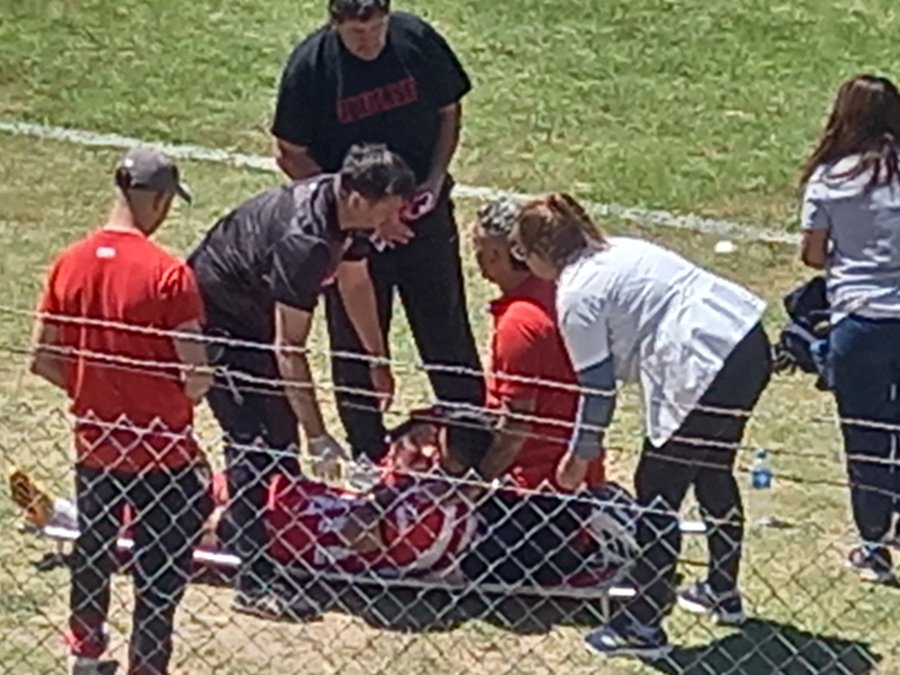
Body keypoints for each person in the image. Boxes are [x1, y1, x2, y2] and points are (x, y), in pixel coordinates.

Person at [511, 193, 772, 658]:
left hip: (702, 365)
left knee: (656, 490)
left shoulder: (575, 293)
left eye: (523, 254)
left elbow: (598, 389)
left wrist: (580, 454)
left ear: (540, 253)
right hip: (746, 339)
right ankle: (722, 590)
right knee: (712, 468)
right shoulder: (622, 249)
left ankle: (643, 624)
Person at [187, 143, 415, 616]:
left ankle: (274, 537)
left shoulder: (349, 218)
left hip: (256, 320)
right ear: (359, 197)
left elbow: (355, 284)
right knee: (253, 442)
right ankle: (253, 580)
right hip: (217, 321)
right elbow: (289, 348)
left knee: (279, 437)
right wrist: (319, 434)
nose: (392, 219)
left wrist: (378, 359)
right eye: (388, 209)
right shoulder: (306, 240)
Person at [271, 0, 484, 463]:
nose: (366, 41)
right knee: (352, 344)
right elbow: (290, 152)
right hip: (351, 229)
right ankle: (368, 453)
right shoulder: (312, 67)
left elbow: (449, 110)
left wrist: (432, 180)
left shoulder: (415, 41)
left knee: (447, 328)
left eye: (374, 28)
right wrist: (366, 213)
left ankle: (473, 447)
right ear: (335, 24)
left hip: (422, 217)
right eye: (354, 33)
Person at [28, 148, 214, 675]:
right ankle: (147, 666)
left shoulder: (68, 263)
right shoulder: (169, 275)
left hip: (97, 445)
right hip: (164, 454)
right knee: (159, 573)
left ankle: (84, 653)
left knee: (92, 551)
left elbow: (43, 357)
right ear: (157, 201)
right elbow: (195, 372)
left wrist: (92, 389)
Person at [460, 197, 606, 586]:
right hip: (574, 483)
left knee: (467, 558)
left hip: (535, 491)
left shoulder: (518, 325)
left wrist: (477, 482)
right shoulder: (557, 292)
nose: (476, 260)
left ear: (497, 254)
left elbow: (516, 424)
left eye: (480, 251)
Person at [799, 74, 900, 584]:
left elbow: (813, 254)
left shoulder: (832, 179)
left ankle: (873, 546)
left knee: (864, 437)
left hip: (859, 320)